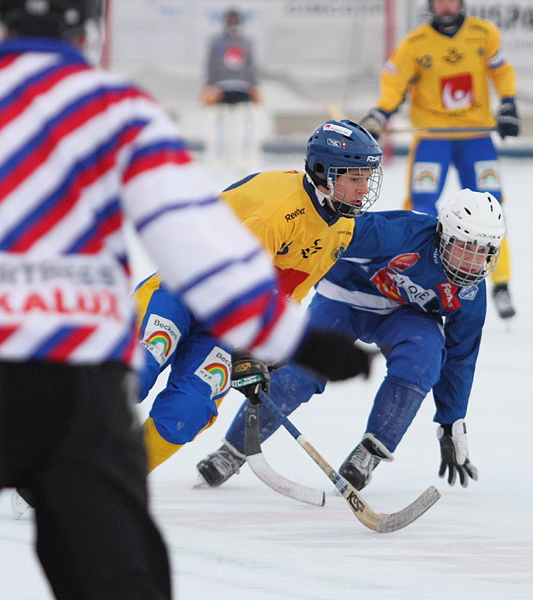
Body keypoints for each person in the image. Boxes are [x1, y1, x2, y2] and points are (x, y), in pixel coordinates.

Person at [0, 2, 368, 599]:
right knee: (123, 584)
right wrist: (294, 341)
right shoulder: (122, 110)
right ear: (88, 26)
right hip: (83, 390)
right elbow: (200, 250)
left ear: (2, 18)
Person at [197, 189, 505, 491]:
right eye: (465, 247)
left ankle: (369, 454)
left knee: (423, 358)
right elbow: (331, 233)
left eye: (483, 251)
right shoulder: (401, 232)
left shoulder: (471, 295)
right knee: (300, 372)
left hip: (404, 315)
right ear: (442, 234)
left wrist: (451, 422)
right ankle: (233, 450)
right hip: (344, 298)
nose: (472, 261)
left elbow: (460, 357)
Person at [135, 119, 382, 473]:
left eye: (367, 179)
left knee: (186, 413)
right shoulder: (276, 211)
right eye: (354, 178)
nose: (363, 189)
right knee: (135, 371)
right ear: (324, 173)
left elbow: (286, 294)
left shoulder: (342, 227)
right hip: (182, 295)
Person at [359, 0, 520, 320]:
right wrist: (379, 114)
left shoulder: (483, 34)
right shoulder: (415, 44)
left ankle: (500, 284)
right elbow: (394, 82)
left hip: (476, 138)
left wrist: (509, 104)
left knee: (493, 207)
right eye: (439, 0)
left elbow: (501, 71)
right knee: (421, 207)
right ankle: (421, 277)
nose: (446, 5)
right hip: (432, 139)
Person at [201, 7, 260, 169]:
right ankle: (217, 160)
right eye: (230, 21)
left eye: (236, 22)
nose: (233, 25)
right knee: (218, 127)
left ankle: (238, 159)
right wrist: (208, 86)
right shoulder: (217, 41)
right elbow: (210, 66)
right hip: (220, 88)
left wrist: (254, 87)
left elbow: (251, 66)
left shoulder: (246, 42)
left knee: (240, 126)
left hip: (241, 88)